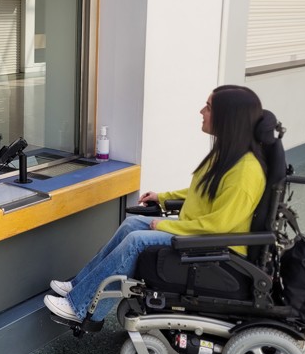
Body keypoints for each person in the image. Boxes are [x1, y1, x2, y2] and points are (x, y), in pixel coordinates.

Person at [44, 85, 267, 323]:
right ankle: (79, 286)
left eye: (209, 107)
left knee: (137, 240)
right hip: (200, 233)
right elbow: (200, 193)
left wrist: (165, 226)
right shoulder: (227, 156)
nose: (201, 111)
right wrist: (162, 197)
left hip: (218, 248)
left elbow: (218, 227)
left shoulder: (245, 173)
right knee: (132, 224)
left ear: (227, 118)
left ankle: (81, 308)